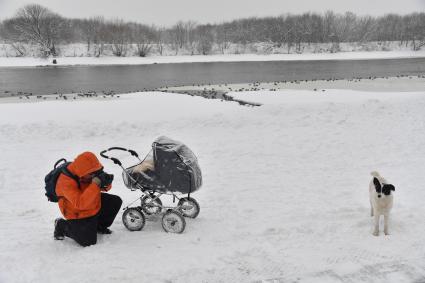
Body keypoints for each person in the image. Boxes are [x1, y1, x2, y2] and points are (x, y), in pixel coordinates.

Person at [53, 151, 122, 247]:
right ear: (83, 172)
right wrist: (95, 184)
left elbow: (105, 189)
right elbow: (80, 203)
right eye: (92, 174)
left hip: (90, 203)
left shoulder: (90, 171)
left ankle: (99, 227)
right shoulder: (65, 181)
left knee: (115, 201)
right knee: (88, 242)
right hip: (76, 212)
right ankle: (62, 225)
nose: (94, 175)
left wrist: (106, 182)